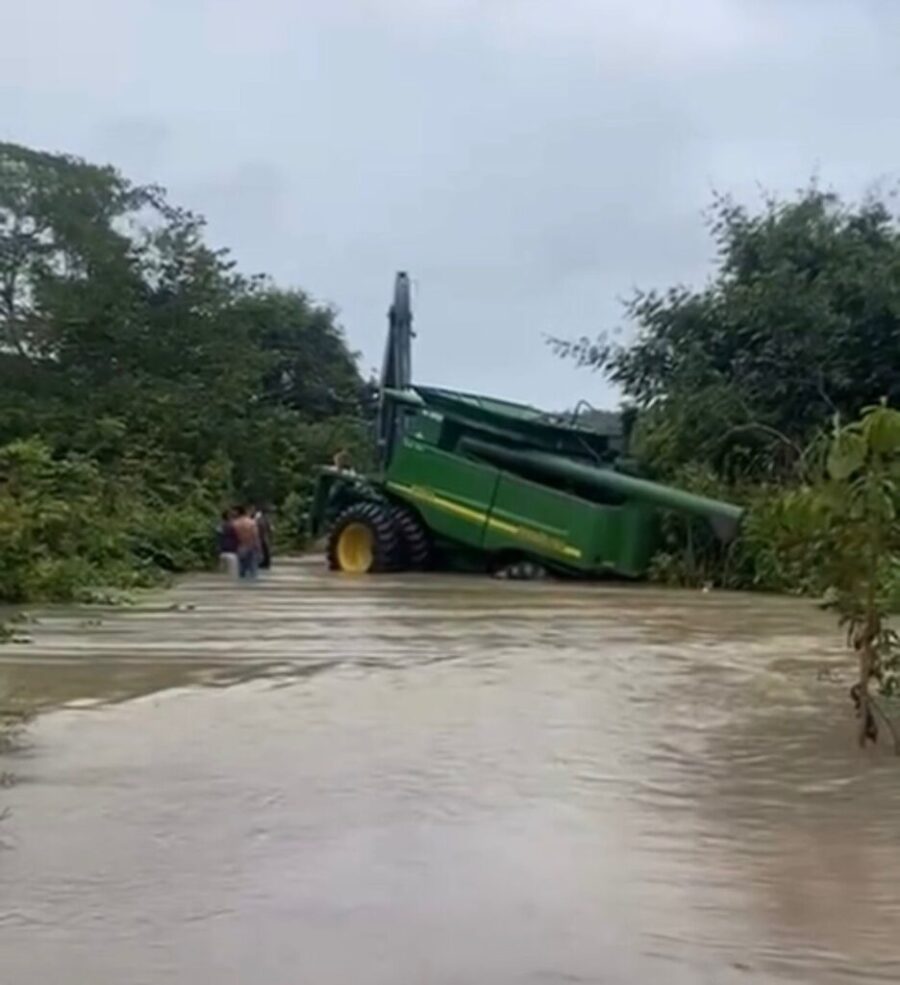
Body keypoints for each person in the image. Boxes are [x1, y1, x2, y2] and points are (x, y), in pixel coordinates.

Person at [232, 505, 261, 580]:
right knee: (253, 569)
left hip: (240, 546)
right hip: (251, 546)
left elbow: (233, 537)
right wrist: (258, 546)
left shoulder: (235, 523)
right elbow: (255, 535)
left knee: (241, 570)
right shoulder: (251, 522)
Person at [217, 509, 238, 579]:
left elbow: (218, 537)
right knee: (233, 574)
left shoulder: (220, 525)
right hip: (232, 550)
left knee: (222, 574)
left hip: (223, 550)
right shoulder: (234, 525)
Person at [252, 504, 273, 570]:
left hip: (261, 536)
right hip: (264, 536)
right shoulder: (265, 518)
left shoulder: (260, 518)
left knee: (263, 550)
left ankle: (264, 563)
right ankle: (265, 563)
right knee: (265, 550)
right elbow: (269, 528)